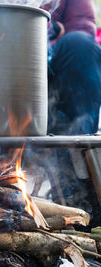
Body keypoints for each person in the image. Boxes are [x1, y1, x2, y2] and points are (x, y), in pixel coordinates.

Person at [40, 0, 101, 227]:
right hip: (15, 76)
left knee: (80, 46)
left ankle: (78, 164)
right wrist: (54, 27)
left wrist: (45, 29)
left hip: (57, 73)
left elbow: (82, 31)